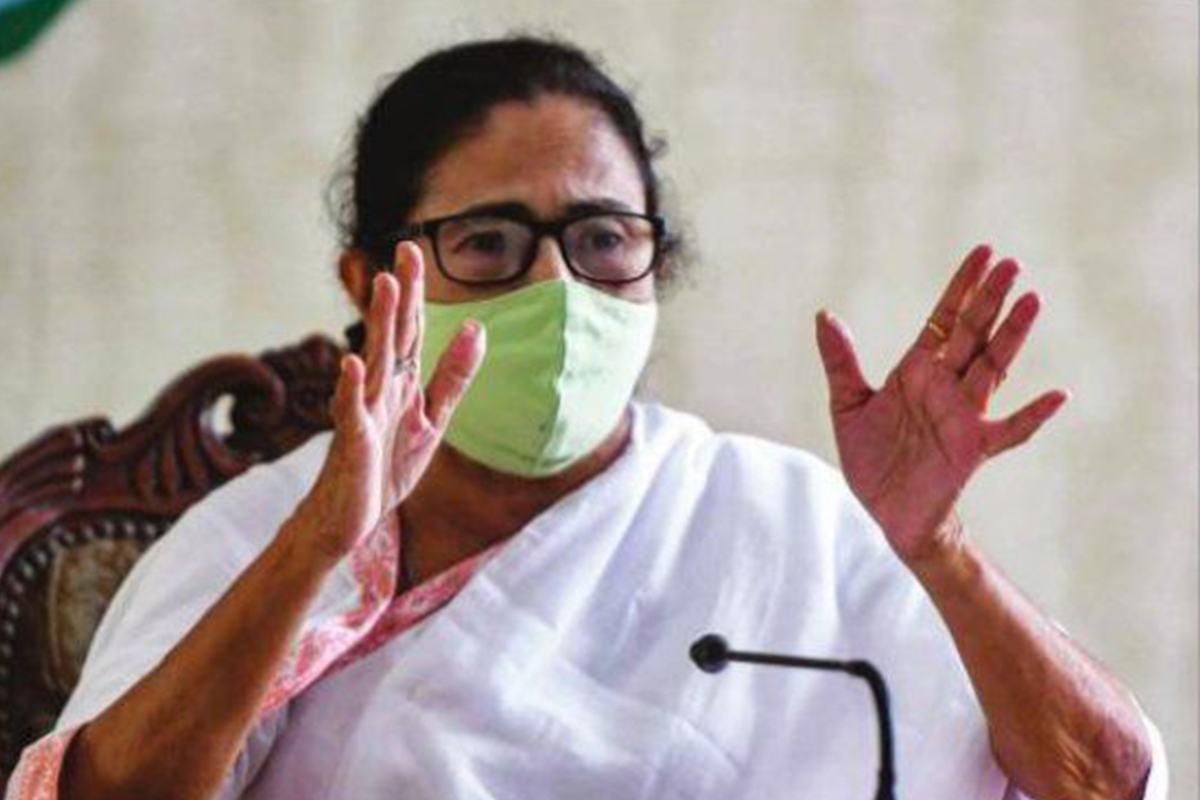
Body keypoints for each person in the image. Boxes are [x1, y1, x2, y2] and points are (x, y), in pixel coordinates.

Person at [7, 36, 1166, 800]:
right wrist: (316, 550)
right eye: (489, 242)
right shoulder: (266, 530)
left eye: (604, 239)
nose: (556, 290)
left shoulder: (785, 518)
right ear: (371, 279)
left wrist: (942, 552)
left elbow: (1105, 783)